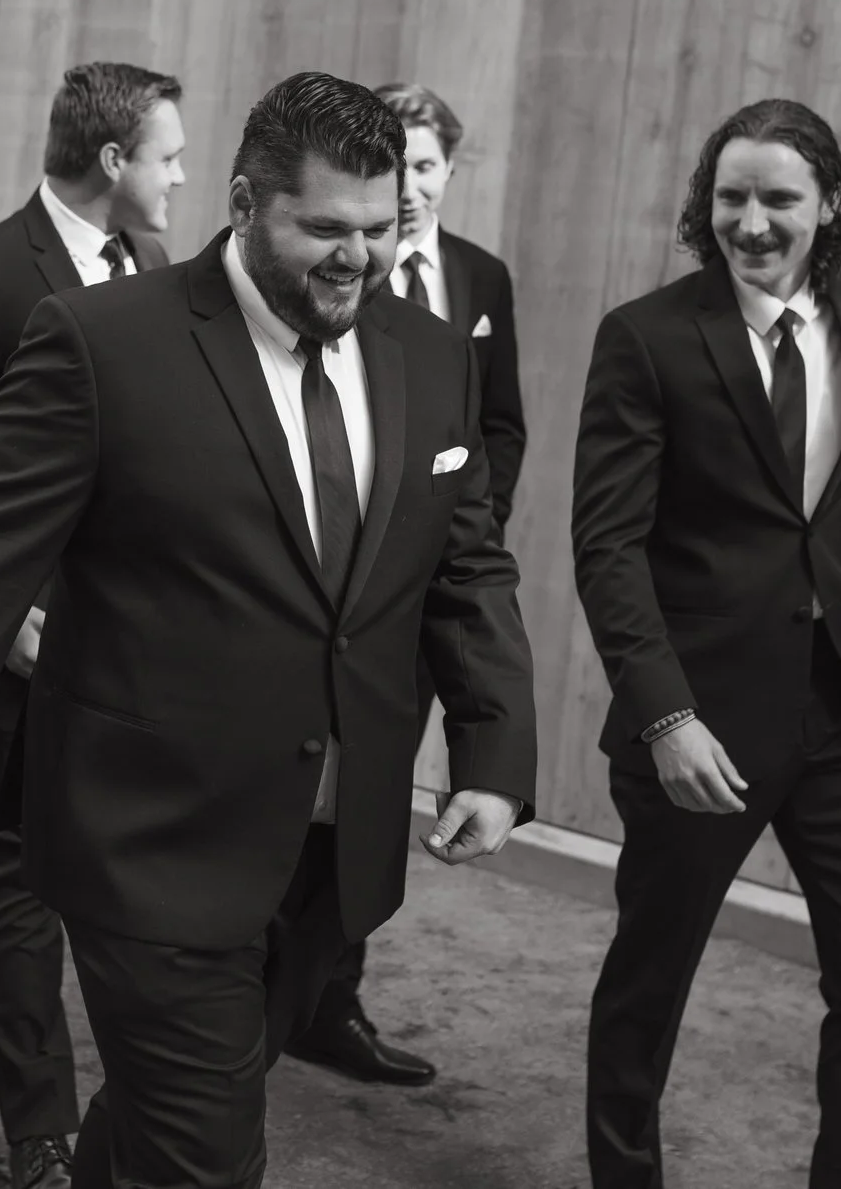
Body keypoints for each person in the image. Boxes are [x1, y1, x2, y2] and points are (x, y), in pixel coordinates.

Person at [0, 72, 537, 1189]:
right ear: (243, 199)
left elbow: (466, 563)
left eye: (379, 229)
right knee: (205, 1153)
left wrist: (496, 749)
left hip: (331, 841)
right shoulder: (101, 341)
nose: (357, 256)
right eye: (322, 228)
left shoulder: (431, 351)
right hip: (147, 835)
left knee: (177, 1105)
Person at [573, 98, 841, 1188]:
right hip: (702, 717)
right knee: (651, 978)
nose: (752, 221)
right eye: (731, 196)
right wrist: (664, 713)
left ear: (828, 206)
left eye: (779, 198)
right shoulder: (646, 337)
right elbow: (609, 545)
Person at [0, 63, 185, 1188]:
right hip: (22, 631)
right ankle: (40, 1124)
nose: (182, 175)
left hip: (123, 632)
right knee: (24, 867)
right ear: (115, 161)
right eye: (169, 154)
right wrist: (0, 609)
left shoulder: (151, 266)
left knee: (32, 833)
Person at [293, 81, 529, 1087]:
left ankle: (321, 991)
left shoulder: (475, 279)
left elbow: (495, 429)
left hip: (418, 600)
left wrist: (454, 528)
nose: (415, 189)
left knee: (366, 806)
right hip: (306, 618)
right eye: (403, 169)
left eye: (430, 168)